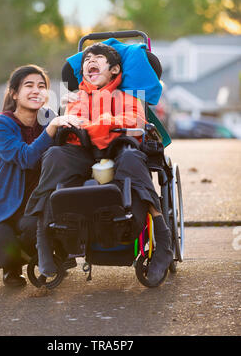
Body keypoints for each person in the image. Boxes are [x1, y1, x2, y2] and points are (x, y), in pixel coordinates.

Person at [25, 44, 173, 286]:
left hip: (120, 150)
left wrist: (99, 121)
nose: (89, 61)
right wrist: (84, 122)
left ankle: (163, 242)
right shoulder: (77, 98)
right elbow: (72, 123)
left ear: (114, 70)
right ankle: (44, 237)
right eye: (86, 59)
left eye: (98, 58)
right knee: (54, 156)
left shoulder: (129, 97)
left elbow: (133, 120)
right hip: (82, 152)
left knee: (132, 159)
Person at [0, 64, 81, 291]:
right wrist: (52, 129)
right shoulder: (0, 124)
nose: (36, 90)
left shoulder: (50, 120)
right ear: (15, 93)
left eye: (42, 86)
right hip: (2, 206)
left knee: (40, 232)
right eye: (29, 86)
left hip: (33, 205)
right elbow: (25, 157)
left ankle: (13, 266)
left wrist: (73, 110)